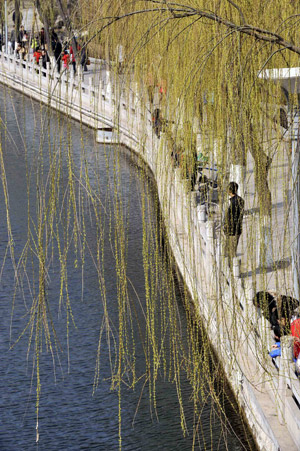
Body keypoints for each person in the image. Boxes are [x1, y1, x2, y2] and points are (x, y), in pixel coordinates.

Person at [223, 181, 244, 261]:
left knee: (230, 252)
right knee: (232, 250)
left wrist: (225, 228)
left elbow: (231, 218)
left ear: (230, 191)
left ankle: (231, 270)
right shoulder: (240, 200)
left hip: (232, 231)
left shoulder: (233, 203)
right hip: (237, 229)